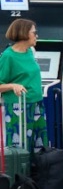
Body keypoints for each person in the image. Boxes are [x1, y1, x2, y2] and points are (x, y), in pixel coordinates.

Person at [0, 19, 48, 152]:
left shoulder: (30, 52)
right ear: (24, 33)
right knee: (20, 146)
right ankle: (19, 172)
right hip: (18, 107)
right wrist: (12, 85)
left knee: (39, 145)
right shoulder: (8, 56)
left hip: (37, 103)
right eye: (34, 32)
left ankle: (38, 171)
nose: (36, 35)